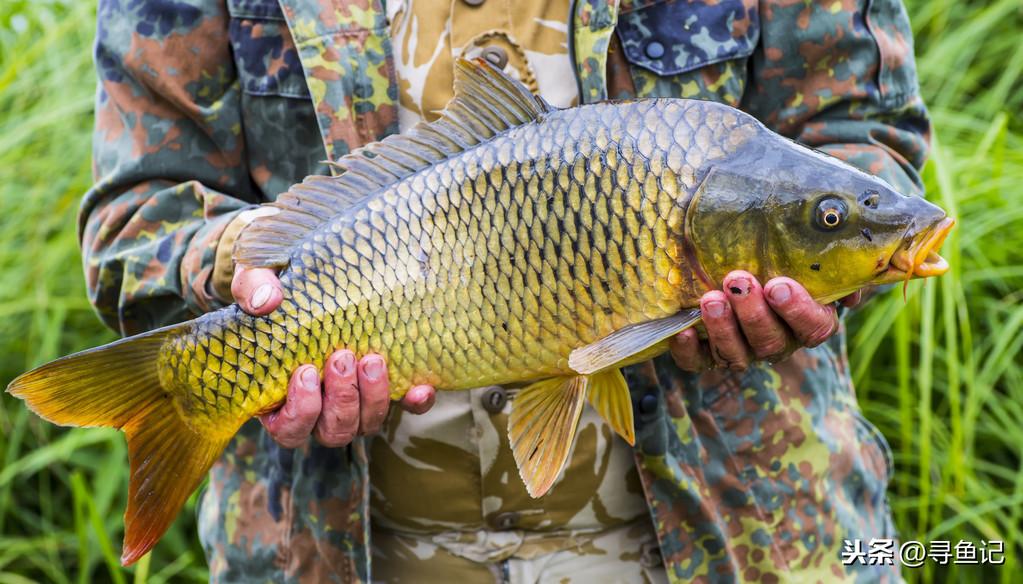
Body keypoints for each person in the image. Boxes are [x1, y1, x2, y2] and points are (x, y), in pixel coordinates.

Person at [84, 0, 928, 581]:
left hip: (747, 541)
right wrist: (254, 266)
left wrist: (815, 269)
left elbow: (860, 142)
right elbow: (135, 221)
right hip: (337, 550)